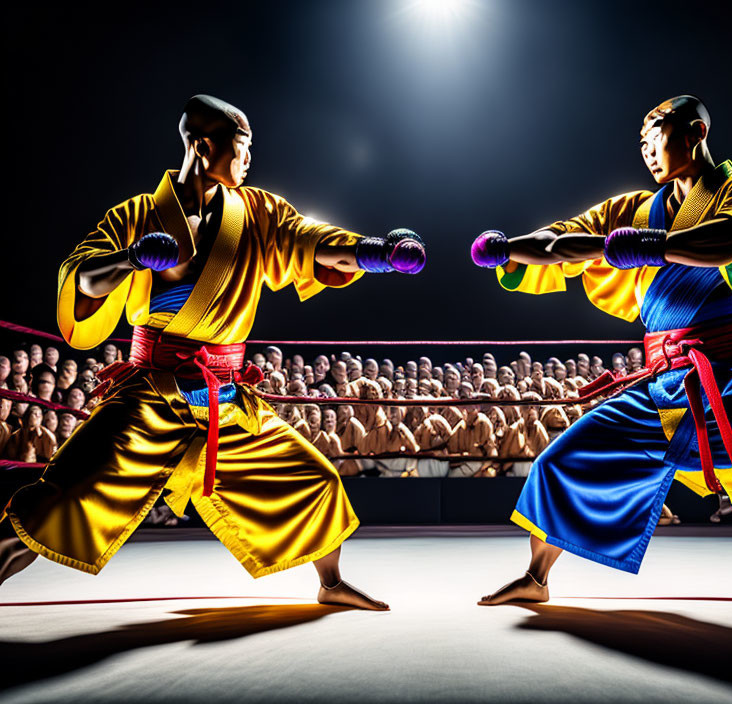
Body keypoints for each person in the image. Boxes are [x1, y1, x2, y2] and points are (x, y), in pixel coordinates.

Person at [470, 95, 732, 613]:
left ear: (695, 132)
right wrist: (509, 246)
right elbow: (563, 241)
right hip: (663, 386)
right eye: (642, 142)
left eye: (658, 134)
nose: (647, 149)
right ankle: (536, 577)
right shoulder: (629, 209)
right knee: (563, 461)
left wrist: (653, 245)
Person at [1, 94, 427, 610]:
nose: (249, 160)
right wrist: (129, 259)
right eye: (241, 148)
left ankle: (331, 584)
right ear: (204, 146)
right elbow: (81, 275)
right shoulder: (135, 215)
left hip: (223, 395)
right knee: (60, 498)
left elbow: (310, 241)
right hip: (149, 390)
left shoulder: (257, 212)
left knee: (312, 476)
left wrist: (377, 254)